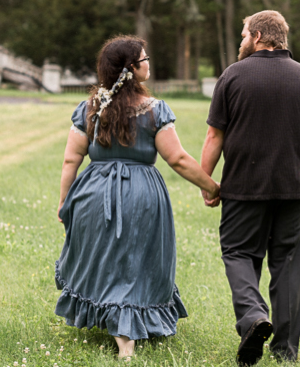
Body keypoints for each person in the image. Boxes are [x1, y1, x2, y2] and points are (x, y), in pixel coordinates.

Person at [55, 35, 221, 358]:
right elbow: (178, 159)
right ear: (131, 69)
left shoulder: (89, 108)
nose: (148, 64)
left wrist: (65, 202)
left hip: (94, 192)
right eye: (144, 59)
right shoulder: (154, 110)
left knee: (104, 259)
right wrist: (212, 186)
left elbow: (71, 160)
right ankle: (126, 335)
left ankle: (118, 325)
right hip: (141, 194)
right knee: (135, 261)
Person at [199, 11, 300, 365]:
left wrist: (206, 181)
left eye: (243, 35)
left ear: (259, 36)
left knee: (238, 252)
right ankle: (285, 351)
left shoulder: (233, 76)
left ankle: (253, 318)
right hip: (299, 189)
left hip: (244, 187)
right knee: (289, 263)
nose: (241, 41)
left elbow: (215, 135)